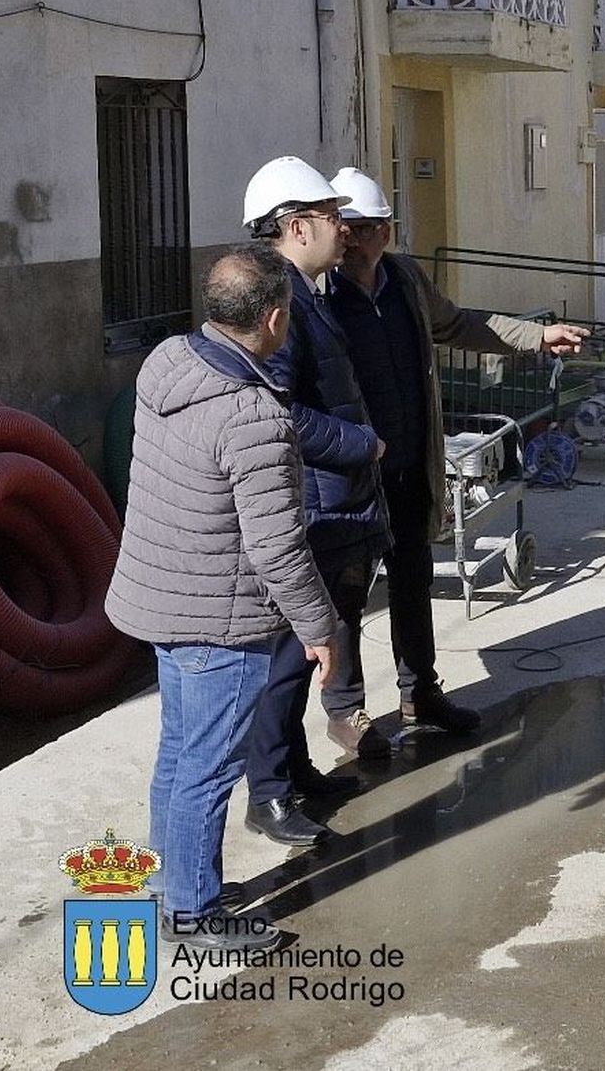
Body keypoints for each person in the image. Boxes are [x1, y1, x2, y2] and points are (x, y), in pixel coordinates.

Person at [105, 244, 341, 953]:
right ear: (273, 318)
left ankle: (170, 886)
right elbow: (277, 548)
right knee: (207, 772)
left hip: (163, 600)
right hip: (220, 617)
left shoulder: (166, 362)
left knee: (179, 755)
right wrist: (318, 627)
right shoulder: (254, 419)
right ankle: (194, 914)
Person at [319, 168, 587, 756]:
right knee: (347, 594)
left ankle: (421, 693)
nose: (349, 240)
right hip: (352, 476)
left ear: (384, 232)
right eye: (344, 228)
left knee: (413, 580)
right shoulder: (318, 296)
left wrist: (537, 337)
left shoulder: (406, 280)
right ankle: (346, 711)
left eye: (361, 229)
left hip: (412, 462)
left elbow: (461, 323)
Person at [240, 156, 387, 849]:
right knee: (289, 657)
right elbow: (280, 415)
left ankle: (294, 768)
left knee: (312, 653)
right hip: (311, 507)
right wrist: (361, 444)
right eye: (333, 217)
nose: (345, 229)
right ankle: (267, 793)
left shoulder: (308, 293)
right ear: (297, 226)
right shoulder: (278, 308)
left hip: (336, 505)